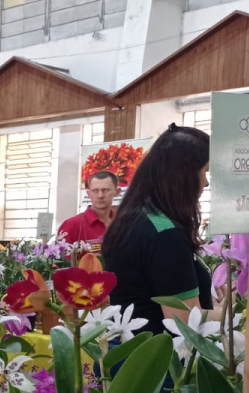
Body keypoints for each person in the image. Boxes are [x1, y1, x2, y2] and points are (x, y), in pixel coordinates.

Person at [103, 125, 212, 337]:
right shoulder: (165, 233)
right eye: (204, 171)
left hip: (130, 354)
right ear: (184, 175)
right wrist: (232, 315)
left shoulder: (133, 219)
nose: (206, 182)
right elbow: (184, 320)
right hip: (159, 361)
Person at [58, 171, 118, 249]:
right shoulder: (71, 226)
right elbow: (60, 260)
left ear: (117, 192)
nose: (100, 195)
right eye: (95, 191)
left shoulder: (123, 225)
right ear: (88, 194)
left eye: (105, 190)